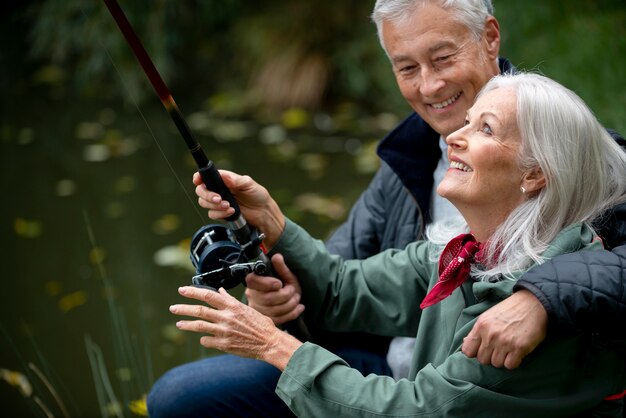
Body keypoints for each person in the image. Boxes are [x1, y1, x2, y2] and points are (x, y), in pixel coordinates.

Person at [147, 1, 626, 416]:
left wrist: (540, 298)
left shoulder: (588, 158)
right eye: (407, 67)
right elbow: (339, 288)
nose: (432, 90)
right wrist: (275, 225)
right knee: (183, 395)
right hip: (396, 373)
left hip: (418, 399)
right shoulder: (455, 248)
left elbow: (418, 410)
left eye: (484, 128)